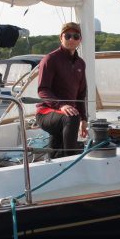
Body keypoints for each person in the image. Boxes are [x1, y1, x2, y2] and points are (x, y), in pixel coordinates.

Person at [36, 21, 88, 156]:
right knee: (71, 116)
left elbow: (81, 94)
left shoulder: (81, 63)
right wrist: (61, 105)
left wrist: (84, 119)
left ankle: (55, 161)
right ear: (61, 38)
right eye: (68, 36)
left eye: (76, 36)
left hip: (64, 113)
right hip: (46, 112)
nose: (72, 39)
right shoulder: (50, 59)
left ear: (80, 40)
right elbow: (43, 90)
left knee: (55, 150)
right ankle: (71, 161)